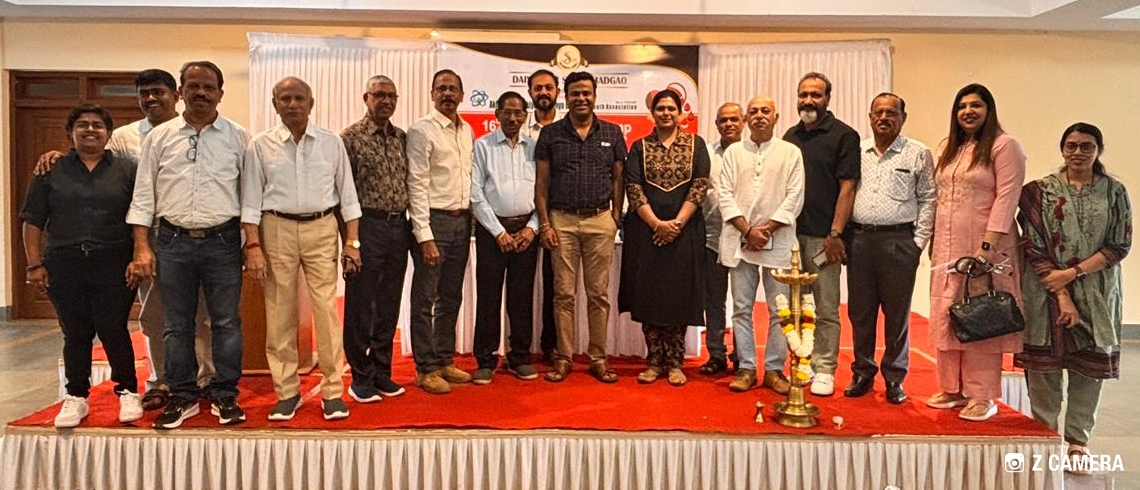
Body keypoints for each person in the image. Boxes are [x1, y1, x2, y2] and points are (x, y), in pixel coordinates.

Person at [32, 69, 214, 411]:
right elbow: (92, 159)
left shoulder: (195, 131)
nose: (151, 98)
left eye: (158, 92)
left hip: (190, 233)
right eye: (144, 93)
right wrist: (56, 156)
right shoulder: (124, 137)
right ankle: (161, 380)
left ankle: (204, 379)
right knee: (155, 316)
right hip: (145, 236)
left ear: (175, 95)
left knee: (200, 314)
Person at [127, 60, 250, 429]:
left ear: (220, 93)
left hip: (223, 241)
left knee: (225, 322)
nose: (201, 93)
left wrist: (252, 244)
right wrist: (141, 247)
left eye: (208, 87)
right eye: (193, 86)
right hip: (172, 241)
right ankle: (182, 394)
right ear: (181, 92)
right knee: (176, 323)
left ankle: (224, 392)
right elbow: (143, 195)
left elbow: (250, 196)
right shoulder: (160, 137)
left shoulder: (238, 137)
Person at [241, 76, 362, 421]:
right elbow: (250, 201)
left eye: (299, 98)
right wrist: (253, 245)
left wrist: (352, 243)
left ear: (311, 103)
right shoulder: (260, 145)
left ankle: (333, 391)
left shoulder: (331, 142)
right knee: (279, 310)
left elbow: (348, 197)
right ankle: (287, 392)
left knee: (326, 310)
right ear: (275, 104)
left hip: (321, 227)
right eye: (285, 99)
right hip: (276, 227)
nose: (292, 104)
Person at [1016, 122, 1131, 472]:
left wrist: (1074, 272)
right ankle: (1046, 438)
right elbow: (1031, 243)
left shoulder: (1114, 192)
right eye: (1071, 145)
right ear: (1062, 148)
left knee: (1088, 369)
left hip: (1097, 291)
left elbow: (1120, 244)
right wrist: (1061, 289)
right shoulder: (1038, 192)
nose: (1077, 152)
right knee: (1044, 369)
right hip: (1045, 290)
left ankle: (1078, 443)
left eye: (1086, 146)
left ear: (1098, 150)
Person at [21, 104, 142, 428]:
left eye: (98, 125)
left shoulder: (127, 170)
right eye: (83, 125)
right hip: (65, 262)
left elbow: (140, 217)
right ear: (70, 133)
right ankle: (76, 396)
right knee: (75, 331)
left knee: (114, 327)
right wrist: (34, 264)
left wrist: (138, 256)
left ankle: (128, 390)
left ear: (108, 133)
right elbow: (33, 220)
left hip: (114, 261)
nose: (90, 130)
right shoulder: (50, 170)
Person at [926, 83, 1026, 422]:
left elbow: (1007, 199)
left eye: (976, 105)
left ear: (989, 110)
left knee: (981, 316)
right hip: (947, 248)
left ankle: (982, 395)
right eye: (962, 106)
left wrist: (986, 247)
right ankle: (952, 388)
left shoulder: (1004, 146)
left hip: (986, 249)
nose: (967, 111)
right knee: (948, 313)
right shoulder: (949, 148)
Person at [535, 71, 627, 383]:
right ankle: (563, 357)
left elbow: (618, 178)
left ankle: (598, 358)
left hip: (601, 220)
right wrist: (545, 223)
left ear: (595, 96)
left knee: (598, 294)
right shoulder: (551, 134)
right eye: (575, 93)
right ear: (566, 96)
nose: (581, 98)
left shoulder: (612, 132)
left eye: (586, 93)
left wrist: (615, 217)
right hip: (561, 221)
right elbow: (542, 183)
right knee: (563, 294)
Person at [843, 93, 935, 405]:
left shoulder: (917, 153)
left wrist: (918, 243)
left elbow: (929, 198)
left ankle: (895, 377)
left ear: (903, 117)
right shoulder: (857, 151)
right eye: (878, 113)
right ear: (870, 117)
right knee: (860, 312)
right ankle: (862, 372)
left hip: (899, 242)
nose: (884, 118)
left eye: (891, 113)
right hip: (860, 241)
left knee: (897, 314)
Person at [619, 89, 711, 387]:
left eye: (671, 108)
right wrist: (657, 224)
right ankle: (653, 361)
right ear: (652, 113)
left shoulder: (696, 145)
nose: (666, 113)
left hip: (685, 233)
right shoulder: (639, 147)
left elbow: (699, 187)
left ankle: (674, 362)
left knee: (678, 295)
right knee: (650, 294)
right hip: (646, 232)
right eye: (660, 108)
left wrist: (676, 225)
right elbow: (634, 189)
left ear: (681, 113)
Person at [716, 96, 804, 393]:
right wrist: (747, 230)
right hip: (741, 241)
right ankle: (747, 367)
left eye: (765, 111)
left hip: (778, 241)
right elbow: (724, 195)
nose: (759, 116)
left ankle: (775, 369)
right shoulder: (734, 152)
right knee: (741, 308)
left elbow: (795, 197)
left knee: (780, 310)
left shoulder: (790, 152)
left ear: (776, 117)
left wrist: (765, 230)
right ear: (746, 119)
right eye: (753, 111)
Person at [781, 72, 860, 397]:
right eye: (803, 95)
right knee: (796, 307)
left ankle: (825, 368)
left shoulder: (844, 136)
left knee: (826, 308)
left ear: (828, 98)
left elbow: (848, 187)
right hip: (789, 238)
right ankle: (804, 364)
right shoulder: (790, 136)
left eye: (816, 94)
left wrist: (836, 233)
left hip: (825, 238)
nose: (808, 100)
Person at [340, 75, 412, 401]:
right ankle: (361, 376)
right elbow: (342, 193)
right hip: (366, 226)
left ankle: (382, 371)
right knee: (361, 304)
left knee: (388, 303)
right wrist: (350, 242)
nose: (385, 101)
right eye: (379, 95)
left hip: (399, 228)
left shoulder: (402, 138)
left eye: (391, 96)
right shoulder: (350, 138)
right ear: (365, 98)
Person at [406, 69, 475, 394]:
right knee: (425, 297)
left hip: (462, 222)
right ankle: (425, 368)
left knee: (451, 296)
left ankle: (444, 358)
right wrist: (424, 235)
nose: (447, 94)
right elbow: (416, 183)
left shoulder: (467, 130)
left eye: (453, 89)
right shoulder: (421, 130)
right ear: (432, 93)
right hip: (433, 222)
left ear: (462, 95)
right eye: (441, 88)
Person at [470, 91, 541, 384]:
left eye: (518, 112)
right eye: (507, 112)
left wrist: (532, 228)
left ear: (526, 116)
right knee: (488, 296)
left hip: (526, 231)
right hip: (492, 232)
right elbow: (476, 193)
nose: (513, 118)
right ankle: (486, 359)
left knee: (521, 296)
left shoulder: (535, 148)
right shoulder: (482, 146)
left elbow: (543, 193)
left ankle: (519, 357)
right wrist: (498, 232)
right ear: (496, 114)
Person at [699, 102, 743, 376]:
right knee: (714, 300)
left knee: (741, 300)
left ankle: (742, 354)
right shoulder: (707, 154)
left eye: (734, 119)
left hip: (743, 239)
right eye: (723, 120)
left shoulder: (752, 154)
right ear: (716, 124)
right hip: (712, 236)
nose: (728, 124)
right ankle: (716, 354)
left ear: (743, 122)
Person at [526, 69, 562, 365]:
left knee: (554, 285)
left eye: (549, 87)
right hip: (522, 219)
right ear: (530, 93)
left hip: (556, 218)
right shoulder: (519, 129)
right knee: (522, 285)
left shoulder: (566, 130)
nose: (543, 92)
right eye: (538, 88)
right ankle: (519, 346)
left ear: (557, 93)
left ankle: (551, 344)